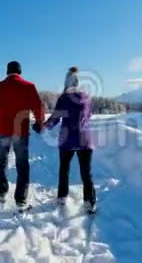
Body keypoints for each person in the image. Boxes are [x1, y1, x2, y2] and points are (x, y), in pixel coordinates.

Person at [0, 61, 45, 212]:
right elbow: (38, 106)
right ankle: (21, 201)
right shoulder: (29, 87)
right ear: (20, 72)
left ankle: (1, 195)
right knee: (22, 166)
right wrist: (39, 122)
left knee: (2, 163)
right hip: (21, 132)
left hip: (2, 131)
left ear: (7, 72)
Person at [44, 67, 97, 213]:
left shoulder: (64, 98)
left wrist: (44, 126)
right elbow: (89, 114)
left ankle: (62, 198)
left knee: (64, 170)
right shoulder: (86, 97)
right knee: (86, 173)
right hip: (85, 140)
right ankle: (90, 202)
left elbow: (55, 118)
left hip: (67, 141)